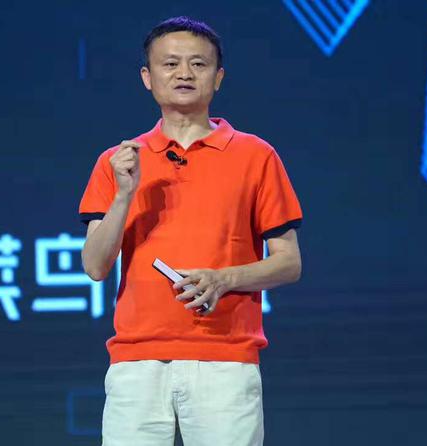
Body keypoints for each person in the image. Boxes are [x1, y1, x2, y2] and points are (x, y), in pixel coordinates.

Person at [79, 16, 302, 446]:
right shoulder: (118, 161)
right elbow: (94, 265)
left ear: (218, 78)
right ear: (147, 77)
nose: (184, 73)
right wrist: (124, 195)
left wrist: (224, 279)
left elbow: (289, 262)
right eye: (170, 64)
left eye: (198, 64)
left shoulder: (256, 156)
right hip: (137, 362)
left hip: (226, 360)